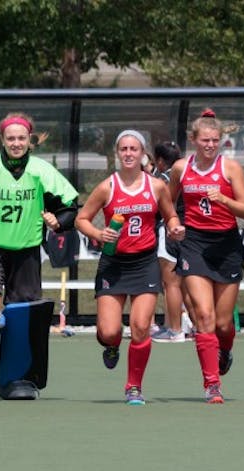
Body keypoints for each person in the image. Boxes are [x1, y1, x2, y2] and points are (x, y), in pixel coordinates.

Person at [0, 112, 79, 399]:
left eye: (22, 138)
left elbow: (71, 205)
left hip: (27, 253)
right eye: (11, 138)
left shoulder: (42, 171)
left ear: (30, 140)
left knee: (21, 318)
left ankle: (13, 380)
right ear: (2, 140)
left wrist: (59, 221)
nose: (16, 143)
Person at [75, 130, 184, 405]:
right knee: (110, 331)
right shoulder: (107, 187)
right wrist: (98, 234)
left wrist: (174, 227)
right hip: (114, 264)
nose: (128, 153)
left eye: (133, 149)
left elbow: (170, 214)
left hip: (145, 262)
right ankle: (111, 346)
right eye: (123, 149)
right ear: (117, 153)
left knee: (140, 327)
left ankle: (133, 387)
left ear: (143, 153)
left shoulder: (156, 186)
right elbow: (82, 219)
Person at [167, 109, 244, 404]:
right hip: (195, 245)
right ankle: (212, 384)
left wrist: (225, 199)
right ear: (193, 140)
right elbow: (168, 202)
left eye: (215, 140)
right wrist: (173, 224)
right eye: (204, 140)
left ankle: (225, 350)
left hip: (226, 246)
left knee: (223, 324)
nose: (210, 145)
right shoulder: (181, 168)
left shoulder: (230, 169)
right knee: (204, 315)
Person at [149, 141, 194, 343]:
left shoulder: (161, 179)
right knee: (185, 285)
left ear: (160, 161)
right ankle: (198, 328)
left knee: (171, 284)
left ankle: (175, 330)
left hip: (169, 231)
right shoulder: (186, 174)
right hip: (187, 230)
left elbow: (158, 207)